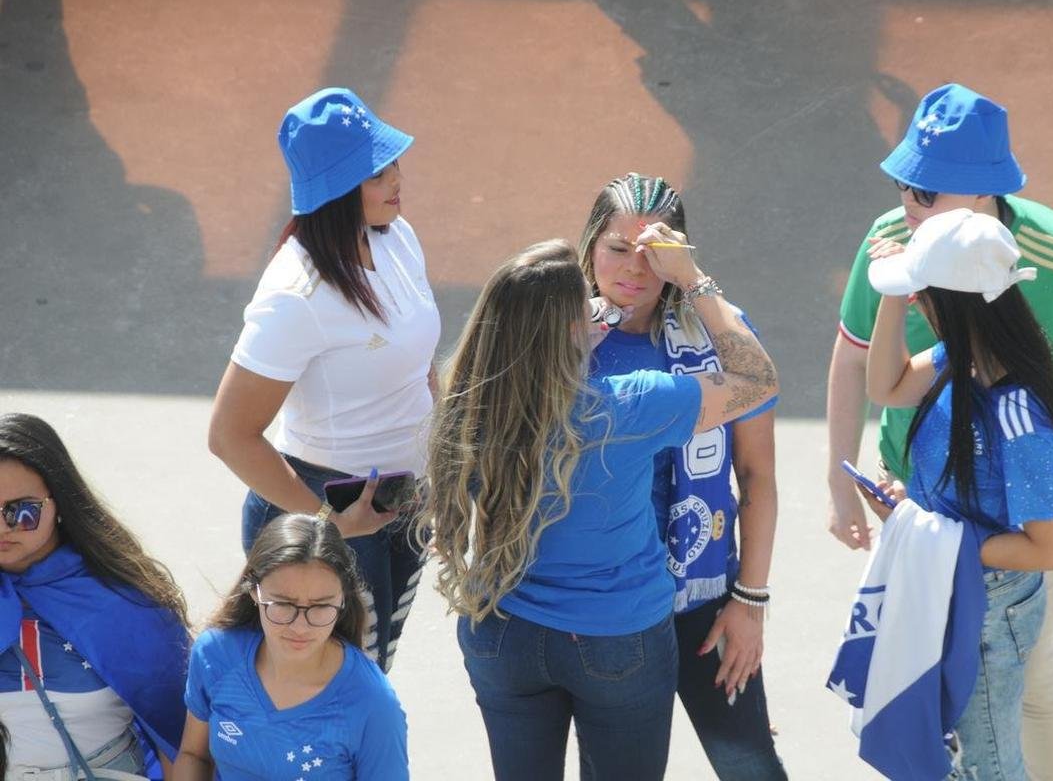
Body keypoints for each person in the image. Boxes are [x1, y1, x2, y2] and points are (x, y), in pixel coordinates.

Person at [826, 82, 1053, 780]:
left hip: (997, 534)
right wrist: (854, 489)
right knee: (941, 710)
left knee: (1008, 715)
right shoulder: (942, 331)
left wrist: (1029, 474)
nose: (908, 202)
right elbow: (872, 375)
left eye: (927, 192)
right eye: (905, 184)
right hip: (926, 511)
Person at [423, 238, 778, 780]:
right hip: (619, 642)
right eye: (583, 306)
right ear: (567, 328)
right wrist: (693, 280)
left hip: (500, 633)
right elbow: (756, 379)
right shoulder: (628, 402)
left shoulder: (469, 401)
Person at [208, 87, 440, 673]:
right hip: (327, 501)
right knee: (329, 688)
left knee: (372, 670)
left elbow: (420, 362)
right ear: (337, 190)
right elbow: (230, 435)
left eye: (392, 162)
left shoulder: (396, 236)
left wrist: (439, 463)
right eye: (376, 172)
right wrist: (328, 523)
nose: (397, 179)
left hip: (401, 498)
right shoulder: (295, 295)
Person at [578, 173, 785, 779]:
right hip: (601, 609)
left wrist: (749, 602)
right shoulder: (556, 336)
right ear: (589, 245)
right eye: (618, 248)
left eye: (655, 253)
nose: (634, 268)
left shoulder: (724, 334)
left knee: (751, 766)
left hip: (705, 603)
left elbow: (757, 475)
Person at [862, 207, 1053, 778]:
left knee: (985, 763)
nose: (915, 304)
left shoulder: (1017, 416)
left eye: (920, 295)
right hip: (948, 579)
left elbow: (1051, 548)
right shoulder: (955, 360)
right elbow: (885, 386)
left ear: (953, 304)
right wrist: (893, 293)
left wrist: (930, 534)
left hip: (987, 605)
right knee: (947, 748)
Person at [0, 412, 191, 779]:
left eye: (22, 511)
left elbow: (180, 740)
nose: (3, 528)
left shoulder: (125, 603)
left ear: (59, 503)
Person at [174, 513, 408, 780]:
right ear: (254, 591)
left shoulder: (374, 704)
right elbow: (193, 755)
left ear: (343, 600)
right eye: (283, 604)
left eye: (321, 606)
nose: (300, 627)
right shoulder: (215, 654)